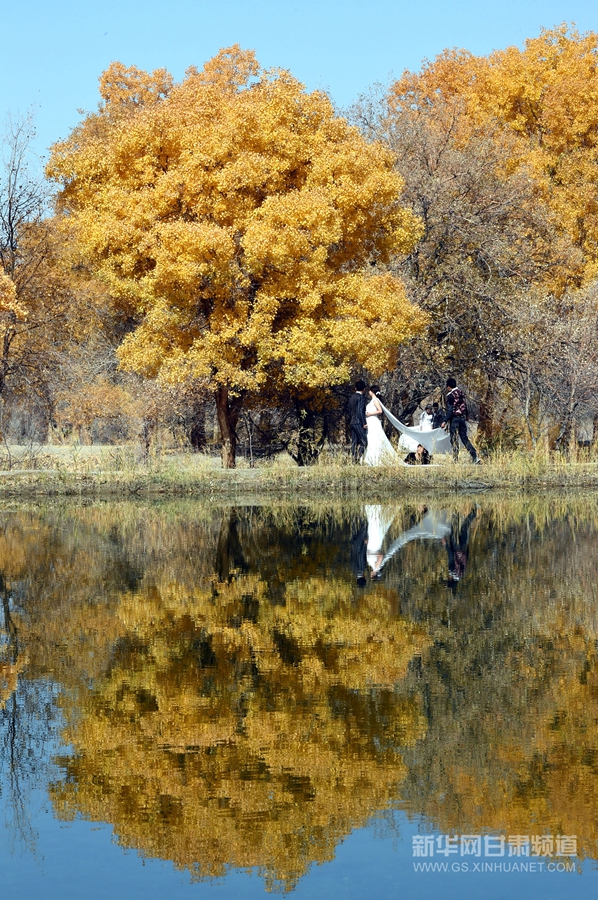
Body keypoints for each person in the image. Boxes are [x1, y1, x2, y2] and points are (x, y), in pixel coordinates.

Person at [443, 377, 480, 464]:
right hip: (462, 418)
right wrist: (466, 416)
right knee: (464, 438)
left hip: (455, 419)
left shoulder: (450, 396)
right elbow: (465, 406)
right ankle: (474, 456)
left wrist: (445, 421)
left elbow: (450, 410)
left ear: (449, 387)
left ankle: (455, 459)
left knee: (454, 438)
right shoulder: (461, 393)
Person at [363, 386, 399, 466]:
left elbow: (380, 411)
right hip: (370, 421)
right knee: (371, 439)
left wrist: (370, 414)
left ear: (372, 392)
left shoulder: (375, 400)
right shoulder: (372, 400)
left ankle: (376, 458)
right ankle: (371, 459)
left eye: (369, 391)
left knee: (375, 439)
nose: (369, 392)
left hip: (374, 421)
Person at [348, 380, 368, 462]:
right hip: (358, 422)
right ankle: (357, 458)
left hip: (352, 421)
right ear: (364, 389)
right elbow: (360, 411)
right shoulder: (361, 398)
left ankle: (353, 458)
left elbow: (349, 410)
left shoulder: (352, 398)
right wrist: (364, 423)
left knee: (354, 442)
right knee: (364, 441)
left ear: (355, 388)